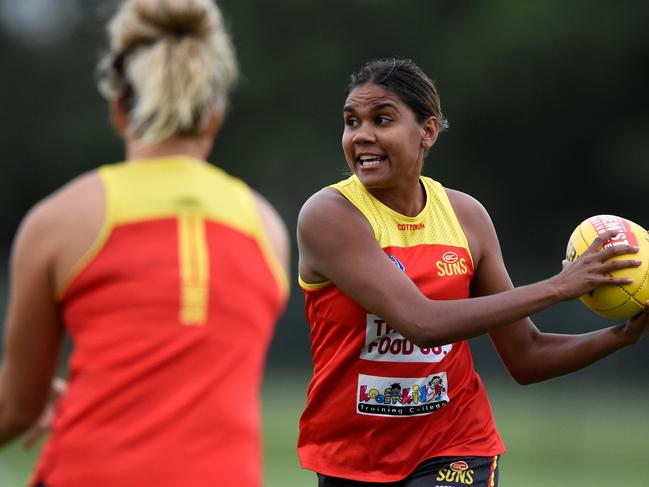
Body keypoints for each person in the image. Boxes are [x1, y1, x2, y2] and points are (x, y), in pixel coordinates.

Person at [296, 57, 649, 486]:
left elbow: (527, 355)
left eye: (382, 119)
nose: (362, 135)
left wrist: (621, 337)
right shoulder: (329, 215)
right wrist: (558, 287)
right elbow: (420, 323)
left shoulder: (466, 218)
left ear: (427, 131)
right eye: (352, 122)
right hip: (351, 456)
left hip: (456, 447)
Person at [0, 0, 289, 486]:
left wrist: (33, 399)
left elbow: (17, 407)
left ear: (118, 110)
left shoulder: (59, 221)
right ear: (214, 116)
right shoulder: (267, 228)